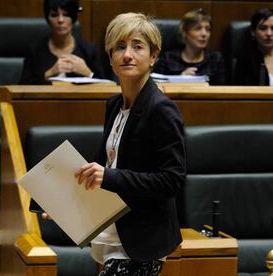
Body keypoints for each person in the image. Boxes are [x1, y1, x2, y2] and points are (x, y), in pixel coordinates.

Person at [73, 12, 186, 275]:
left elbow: (172, 180)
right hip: (113, 232)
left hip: (142, 240)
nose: (127, 55)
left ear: (153, 56)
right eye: (120, 47)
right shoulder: (113, 105)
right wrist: (66, 204)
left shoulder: (162, 109)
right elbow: (104, 168)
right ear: (110, 57)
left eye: (137, 46)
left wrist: (109, 177)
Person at [20, 0, 104, 84]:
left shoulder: (90, 50)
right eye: (54, 15)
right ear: (47, 19)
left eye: (66, 15)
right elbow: (21, 87)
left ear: (74, 18)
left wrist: (88, 73)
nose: (60, 20)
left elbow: (107, 87)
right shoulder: (34, 50)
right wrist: (49, 73)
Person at [152, 9, 225, 85]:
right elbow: (154, 87)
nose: (204, 34)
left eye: (208, 29)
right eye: (198, 28)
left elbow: (223, 91)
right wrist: (181, 79)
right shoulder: (168, 58)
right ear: (185, 33)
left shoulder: (215, 59)